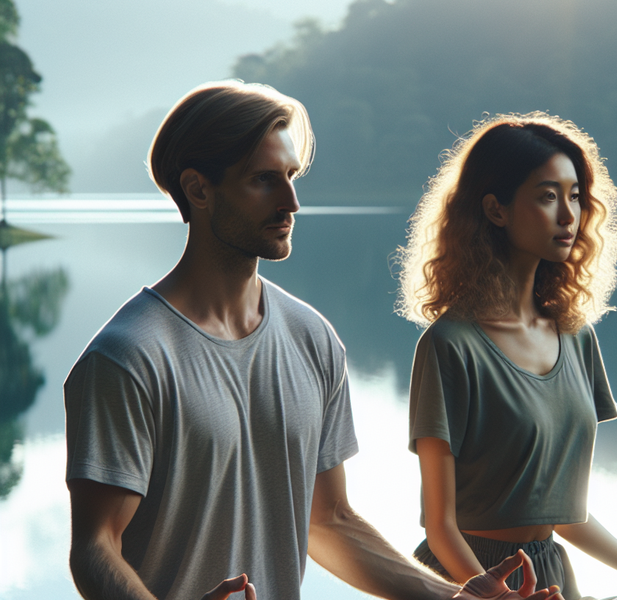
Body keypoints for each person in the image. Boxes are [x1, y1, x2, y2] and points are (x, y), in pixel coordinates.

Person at [63, 82, 566, 600]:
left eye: (291, 176)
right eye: (264, 180)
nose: (291, 202)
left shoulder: (312, 337)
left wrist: (454, 597)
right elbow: (96, 546)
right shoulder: (128, 357)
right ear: (198, 189)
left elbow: (328, 520)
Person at [395, 113, 617, 600]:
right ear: (496, 209)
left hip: (549, 574)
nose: (568, 215)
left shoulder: (576, 337)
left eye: (574, 196)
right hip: (469, 579)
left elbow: (564, 516)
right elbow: (440, 527)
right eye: (547, 196)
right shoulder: (450, 345)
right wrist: (488, 593)